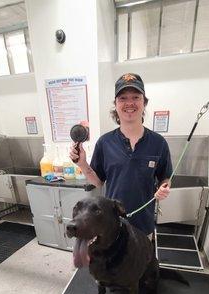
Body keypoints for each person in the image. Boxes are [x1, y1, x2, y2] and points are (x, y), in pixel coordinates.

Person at [70, 73, 172, 236]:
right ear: (116, 104)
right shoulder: (105, 142)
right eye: (123, 98)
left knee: (141, 261)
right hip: (112, 226)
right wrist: (82, 164)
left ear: (144, 102)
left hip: (144, 226)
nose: (129, 103)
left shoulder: (158, 143)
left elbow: (165, 178)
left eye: (136, 97)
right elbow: (98, 182)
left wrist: (164, 188)